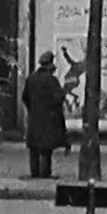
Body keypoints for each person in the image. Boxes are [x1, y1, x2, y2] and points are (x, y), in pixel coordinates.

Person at [21, 51, 66, 179]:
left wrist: (32, 109)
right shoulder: (52, 80)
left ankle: (34, 172)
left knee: (34, 147)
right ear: (50, 65)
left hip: (34, 117)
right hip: (49, 118)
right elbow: (59, 98)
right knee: (46, 148)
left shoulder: (31, 79)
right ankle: (45, 173)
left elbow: (25, 97)